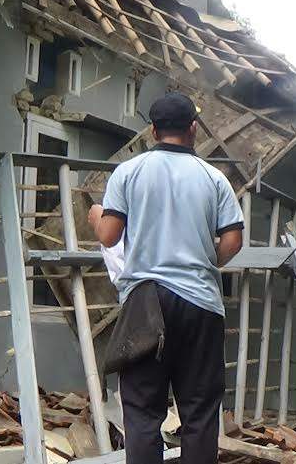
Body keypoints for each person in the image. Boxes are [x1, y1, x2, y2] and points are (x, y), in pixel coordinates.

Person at [88, 92, 244, 464]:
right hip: (201, 305)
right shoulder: (214, 178)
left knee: (142, 412)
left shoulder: (129, 172)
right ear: (193, 129)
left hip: (146, 304)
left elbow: (109, 235)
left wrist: (97, 216)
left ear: (153, 130)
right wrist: (208, 260)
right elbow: (233, 240)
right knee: (200, 413)